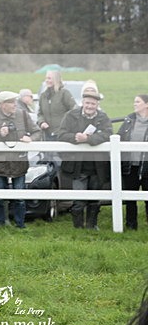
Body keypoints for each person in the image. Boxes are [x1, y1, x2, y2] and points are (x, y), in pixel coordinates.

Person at [56, 81, 112, 230]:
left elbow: (108, 134)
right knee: (79, 198)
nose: (89, 106)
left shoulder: (103, 118)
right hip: (77, 165)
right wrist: (75, 137)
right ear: (83, 102)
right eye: (87, 103)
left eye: (93, 104)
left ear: (97, 104)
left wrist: (88, 139)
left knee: (94, 198)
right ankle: (78, 227)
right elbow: (61, 134)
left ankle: (92, 225)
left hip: (97, 165)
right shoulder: (71, 115)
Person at [0, 90, 41, 228]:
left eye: (15, 101)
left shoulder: (23, 115)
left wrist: (30, 138)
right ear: (2, 104)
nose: (15, 104)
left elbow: (37, 132)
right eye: (11, 102)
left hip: (19, 162)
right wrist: (0, 135)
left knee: (20, 197)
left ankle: (20, 224)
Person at [118, 94, 148, 230]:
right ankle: (131, 226)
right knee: (130, 198)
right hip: (130, 166)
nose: (134, 104)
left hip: (146, 166)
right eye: (134, 101)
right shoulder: (129, 120)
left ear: (146, 104)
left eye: (138, 102)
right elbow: (120, 137)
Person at [37, 70, 76, 140]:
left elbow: (74, 110)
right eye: (46, 78)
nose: (47, 80)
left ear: (56, 79)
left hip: (62, 134)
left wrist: (65, 123)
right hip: (47, 134)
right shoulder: (43, 96)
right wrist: (41, 122)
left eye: (49, 78)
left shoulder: (64, 94)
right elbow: (40, 113)